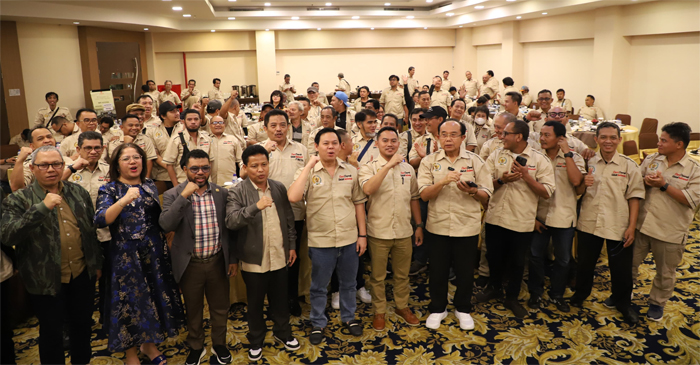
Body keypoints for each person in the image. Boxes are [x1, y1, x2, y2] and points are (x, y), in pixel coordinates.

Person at [1, 145, 102, 365]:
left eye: (56, 164)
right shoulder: (19, 199)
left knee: (82, 329)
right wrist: (41, 208)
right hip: (44, 279)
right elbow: (8, 236)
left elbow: (89, 231)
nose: (51, 169)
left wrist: (96, 264)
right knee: (51, 333)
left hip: (81, 275)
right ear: (33, 168)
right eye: (44, 165)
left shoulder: (78, 192)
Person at [94, 143, 184, 364]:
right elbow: (100, 219)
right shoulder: (110, 189)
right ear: (117, 164)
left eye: (137, 157)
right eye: (126, 159)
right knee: (131, 304)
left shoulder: (150, 185)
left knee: (152, 300)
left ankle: (149, 345)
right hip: (126, 257)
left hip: (154, 253)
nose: (133, 162)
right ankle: (131, 353)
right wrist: (123, 200)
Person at [287, 128, 368, 345]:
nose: (331, 147)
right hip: (321, 241)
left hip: (349, 238)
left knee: (349, 283)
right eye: (325, 143)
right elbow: (293, 197)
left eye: (335, 143)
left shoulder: (351, 171)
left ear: (341, 146)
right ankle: (318, 322)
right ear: (316, 146)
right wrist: (309, 166)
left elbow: (359, 204)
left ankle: (349, 318)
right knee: (319, 286)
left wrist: (363, 235)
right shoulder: (307, 172)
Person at [160, 149, 235, 365]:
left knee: (220, 307)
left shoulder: (221, 193)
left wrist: (232, 259)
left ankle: (219, 344)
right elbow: (166, 225)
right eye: (194, 168)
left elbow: (229, 231)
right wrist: (184, 196)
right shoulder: (174, 194)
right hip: (190, 263)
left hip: (217, 261)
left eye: (205, 168)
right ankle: (196, 346)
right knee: (193, 308)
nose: (200, 173)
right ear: (185, 170)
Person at [226, 145, 300, 361]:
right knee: (256, 302)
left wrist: (292, 245)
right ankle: (256, 339)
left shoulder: (278, 188)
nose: (260, 170)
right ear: (245, 168)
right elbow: (231, 222)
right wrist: (255, 207)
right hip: (253, 259)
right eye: (254, 166)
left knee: (280, 299)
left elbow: (288, 219)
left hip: (279, 253)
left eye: (264, 164)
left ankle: (282, 333)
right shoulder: (237, 191)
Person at [418, 120, 493, 329]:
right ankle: (437, 308)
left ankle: (463, 308)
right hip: (438, 225)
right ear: (438, 137)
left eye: (453, 134)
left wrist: (472, 191)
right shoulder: (429, 162)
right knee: (438, 271)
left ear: (463, 137)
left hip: (466, 226)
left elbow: (487, 193)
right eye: (444, 134)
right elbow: (423, 195)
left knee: (465, 272)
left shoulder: (476, 161)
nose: (448, 138)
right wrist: (442, 181)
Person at [477, 120, 556, 319]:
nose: (502, 137)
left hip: (520, 220)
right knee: (493, 257)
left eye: (506, 133)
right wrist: (502, 180)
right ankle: (494, 287)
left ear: (518, 137)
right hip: (496, 217)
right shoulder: (496, 155)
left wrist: (526, 177)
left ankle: (512, 297)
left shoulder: (539, 160)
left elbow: (547, 192)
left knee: (517, 262)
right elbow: (484, 185)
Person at [569, 122, 644, 325]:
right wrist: (583, 184)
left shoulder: (629, 166)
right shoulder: (588, 161)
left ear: (619, 139)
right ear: (596, 139)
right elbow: (578, 192)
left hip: (618, 223)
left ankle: (623, 303)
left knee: (620, 269)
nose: (608, 141)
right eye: (603, 137)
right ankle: (580, 295)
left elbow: (635, 197)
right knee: (585, 264)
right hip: (589, 221)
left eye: (612, 137)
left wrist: (631, 227)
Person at [632, 122, 699, 321]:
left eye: (663, 140)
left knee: (665, 272)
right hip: (642, 224)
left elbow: (690, 200)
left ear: (679, 144)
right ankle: (623, 293)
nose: (658, 143)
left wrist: (664, 185)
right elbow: (637, 182)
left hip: (670, 229)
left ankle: (657, 303)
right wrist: (644, 182)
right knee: (629, 264)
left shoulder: (694, 169)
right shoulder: (653, 159)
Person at [359, 126, 423, 331]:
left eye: (393, 141)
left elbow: (414, 198)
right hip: (379, 231)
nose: (389, 144)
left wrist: (419, 225)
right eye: (384, 140)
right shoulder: (368, 167)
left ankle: (401, 306)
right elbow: (368, 189)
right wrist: (387, 166)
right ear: (376, 143)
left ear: (399, 143)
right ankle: (379, 311)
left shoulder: (408, 169)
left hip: (404, 230)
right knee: (378, 276)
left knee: (402, 274)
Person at [254, 109, 309, 316]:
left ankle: (292, 297)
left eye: (282, 125)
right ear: (265, 128)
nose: (278, 129)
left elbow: (307, 177)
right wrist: (264, 152)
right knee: (272, 257)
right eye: (273, 125)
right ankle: (274, 301)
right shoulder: (259, 148)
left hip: (295, 212)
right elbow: (244, 174)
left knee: (293, 258)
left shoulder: (301, 149)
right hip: (268, 212)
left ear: (289, 126)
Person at [528, 121, 585, 313]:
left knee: (563, 260)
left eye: (547, 135)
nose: (542, 138)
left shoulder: (574, 157)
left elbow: (577, 181)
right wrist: (532, 217)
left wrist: (567, 153)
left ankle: (557, 294)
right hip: (540, 216)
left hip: (563, 216)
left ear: (560, 139)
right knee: (535, 256)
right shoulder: (535, 157)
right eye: (541, 135)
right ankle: (535, 292)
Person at [61, 131, 112, 321]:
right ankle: (81, 320)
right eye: (88, 148)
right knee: (84, 283)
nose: (93, 152)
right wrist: (72, 169)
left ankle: (107, 319)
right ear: (78, 149)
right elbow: (52, 189)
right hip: (78, 236)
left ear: (103, 149)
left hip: (106, 234)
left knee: (108, 280)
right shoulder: (66, 169)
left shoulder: (109, 170)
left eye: (97, 148)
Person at [10, 127, 74, 192]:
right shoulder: (30, 164)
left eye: (49, 137)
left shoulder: (67, 160)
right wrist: (19, 160)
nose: (47, 140)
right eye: (40, 139)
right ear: (32, 146)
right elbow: (16, 188)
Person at [162, 108, 214, 185]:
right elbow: (169, 165)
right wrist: (176, 186)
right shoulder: (176, 139)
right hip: (184, 183)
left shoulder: (207, 138)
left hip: (204, 184)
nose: (193, 122)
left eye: (196, 119)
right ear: (184, 122)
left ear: (200, 120)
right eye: (189, 119)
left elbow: (211, 162)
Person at [209, 115, 243, 186]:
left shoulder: (233, 139)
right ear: (210, 125)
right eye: (215, 122)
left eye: (221, 122)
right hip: (210, 182)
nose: (218, 125)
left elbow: (240, 161)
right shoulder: (205, 140)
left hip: (229, 182)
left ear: (224, 125)